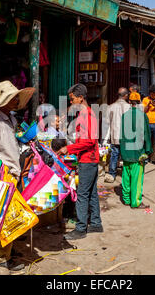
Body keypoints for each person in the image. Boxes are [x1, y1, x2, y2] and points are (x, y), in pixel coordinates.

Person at [0, 80, 35, 270]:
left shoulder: (10, 120)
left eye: (17, 97)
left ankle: (8, 251)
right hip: (2, 176)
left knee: (10, 217)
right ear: (3, 101)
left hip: (12, 175)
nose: (17, 100)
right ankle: (2, 257)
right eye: (13, 97)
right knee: (3, 219)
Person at [57, 84, 102, 240]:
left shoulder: (87, 116)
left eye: (72, 99)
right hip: (90, 158)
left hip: (87, 159)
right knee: (91, 193)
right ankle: (96, 223)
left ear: (81, 98)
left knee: (82, 194)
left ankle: (81, 228)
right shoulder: (86, 115)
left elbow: (89, 141)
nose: (71, 103)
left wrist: (68, 149)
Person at [119, 92, 152, 209]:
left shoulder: (124, 115)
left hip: (126, 151)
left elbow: (121, 135)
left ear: (129, 102)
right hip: (138, 152)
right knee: (137, 178)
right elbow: (146, 135)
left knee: (126, 176)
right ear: (139, 103)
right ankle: (136, 202)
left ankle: (126, 199)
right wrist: (148, 150)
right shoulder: (143, 116)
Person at [102, 88, 130, 183]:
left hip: (115, 135)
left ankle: (112, 174)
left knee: (114, 154)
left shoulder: (111, 107)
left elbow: (106, 122)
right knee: (126, 156)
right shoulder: (129, 107)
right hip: (126, 136)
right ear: (125, 95)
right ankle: (126, 175)